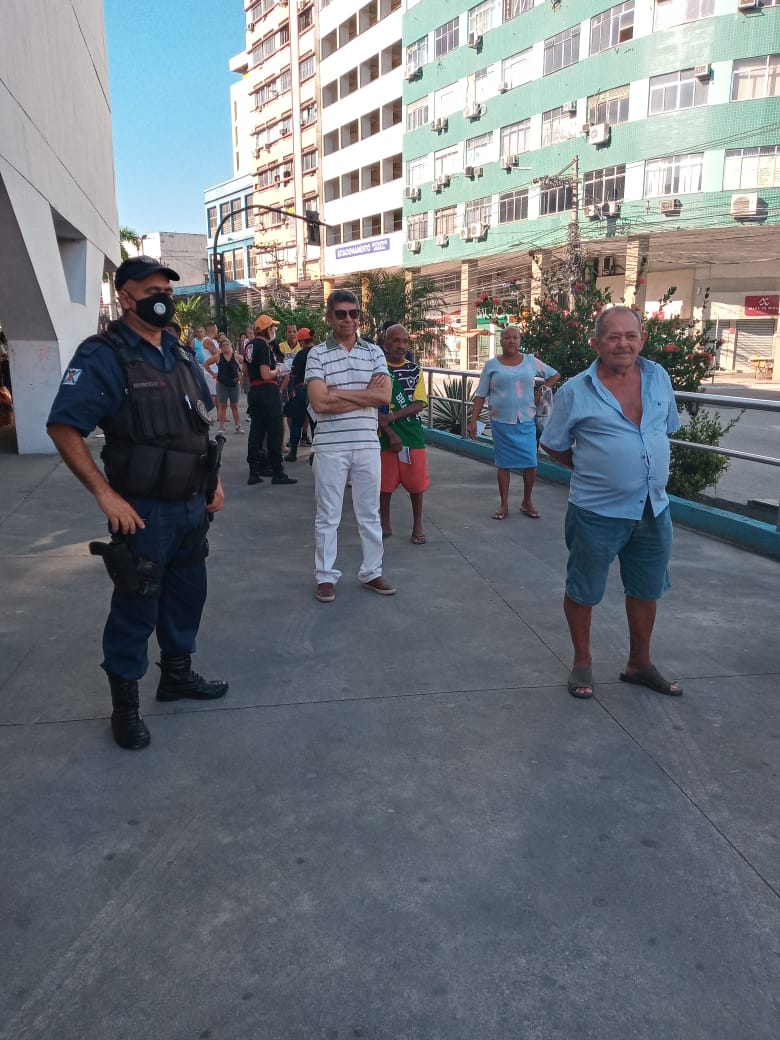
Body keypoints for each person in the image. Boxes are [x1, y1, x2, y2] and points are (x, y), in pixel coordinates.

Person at [46, 255, 229, 751]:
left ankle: (176, 676)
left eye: (165, 291)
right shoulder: (103, 355)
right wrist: (105, 494)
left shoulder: (179, 352)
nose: (162, 300)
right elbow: (63, 427)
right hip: (143, 512)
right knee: (136, 605)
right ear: (125, 298)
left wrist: (212, 482)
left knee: (188, 594)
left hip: (192, 504)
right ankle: (124, 708)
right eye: (151, 292)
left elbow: (199, 425)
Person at [540, 305, 683, 700]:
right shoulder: (574, 391)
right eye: (613, 337)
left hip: (653, 507)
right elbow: (553, 444)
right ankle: (582, 661)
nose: (623, 344)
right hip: (596, 511)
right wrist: (594, 468)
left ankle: (639, 663)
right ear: (596, 344)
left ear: (642, 339)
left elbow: (664, 430)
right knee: (583, 587)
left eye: (631, 336)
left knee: (647, 588)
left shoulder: (658, 377)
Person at [305, 289, 395, 602]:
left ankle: (372, 571)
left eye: (353, 313)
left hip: (367, 445)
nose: (348, 319)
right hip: (330, 447)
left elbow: (383, 397)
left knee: (369, 513)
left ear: (359, 317)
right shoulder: (317, 354)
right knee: (328, 515)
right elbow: (319, 402)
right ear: (329, 317)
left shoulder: (374, 352)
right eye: (341, 314)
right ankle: (325, 576)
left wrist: (338, 393)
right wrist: (363, 396)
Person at [467, 325, 559, 520]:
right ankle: (504, 504)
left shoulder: (530, 361)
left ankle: (527, 501)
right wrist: (473, 420)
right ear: (501, 341)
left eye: (515, 338)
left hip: (526, 420)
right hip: (500, 422)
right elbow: (481, 395)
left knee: (531, 463)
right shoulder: (491, 365)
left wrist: (541, 390)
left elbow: (554, 375)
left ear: (520, 341)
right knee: (504, 465)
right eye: (507, 337)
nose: (511, 341)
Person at [378, 324, 430, 544]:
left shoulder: (415, 371)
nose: (401, 346)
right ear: (386, 344)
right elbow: (372, 406)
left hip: (412, 435)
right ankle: (384, 523)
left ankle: (417, 525)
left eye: (405, 341)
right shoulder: (377, 370)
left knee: (416, 485)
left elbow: (419, 403)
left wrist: (392, 417)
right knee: (384, 484)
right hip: (383, 437)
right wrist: (389, 431)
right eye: (396, 340)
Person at [244, 314, 297, 486]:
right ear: (266, 329)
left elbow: (245, 370)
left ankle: (254, 471)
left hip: (254, 392)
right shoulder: (264, 346)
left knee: (256, 432)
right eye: (272, 327)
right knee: (275, 431)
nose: (275, 330)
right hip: (268, 391)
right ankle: (278, 472)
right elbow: (266, 374)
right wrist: (280, 369)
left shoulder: (249, 345)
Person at [284, 327, 315, 462]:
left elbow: (293, 375)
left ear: (301, 341)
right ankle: (315, 453)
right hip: (315, 389)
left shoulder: (300, 355)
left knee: (297, 422)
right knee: (315, 423)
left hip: (301, 390)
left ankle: (293, 453)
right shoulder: (319, 353)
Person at [205, 337, 245, 434]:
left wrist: (242, 374)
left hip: (234, 384)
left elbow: (246, 363)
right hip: (222, 385)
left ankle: (238, 426)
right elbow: (206, 363)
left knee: (234, 406)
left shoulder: (236, 356)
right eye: (223, 345)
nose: (226, 346)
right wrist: (212, 373)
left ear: (230, 346)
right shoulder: (218, 356)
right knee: (223, 406)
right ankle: (221, 427)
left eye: (227, 344)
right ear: (221, 347)